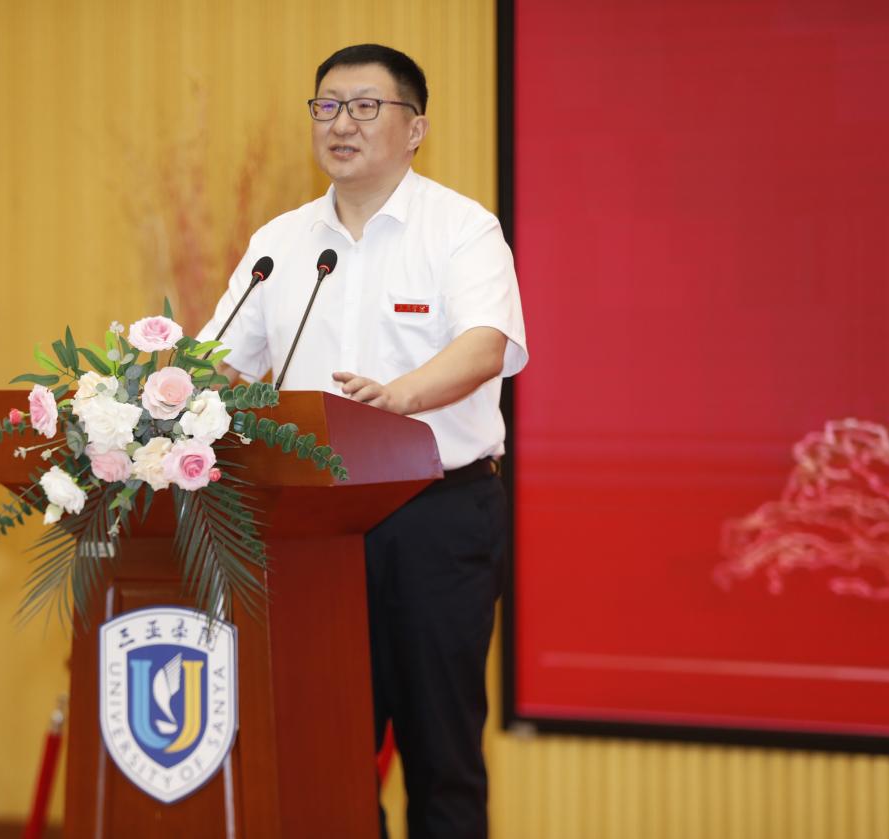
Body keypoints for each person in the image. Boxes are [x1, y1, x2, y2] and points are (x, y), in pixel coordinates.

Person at [197, 43, 527, 838]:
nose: (340, 123)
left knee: (440, 751)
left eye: (364, 107)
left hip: (434, 516)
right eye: (327, 106)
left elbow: (485, 344)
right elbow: (216, 362)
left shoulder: (460, 228)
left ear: (414, 128)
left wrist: (397, 400)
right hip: (311, 526)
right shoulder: (280, 242)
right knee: (322, 747)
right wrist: (144, 400)